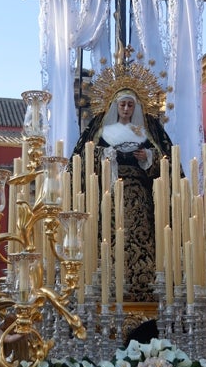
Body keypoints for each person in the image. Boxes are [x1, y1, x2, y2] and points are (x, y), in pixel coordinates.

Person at [69, 85, 176, 302]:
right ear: (115, 106)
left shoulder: (148, 129)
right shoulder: (101, 128)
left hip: (140, 196)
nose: (126, 109)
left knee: (144, 235)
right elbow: (82, 159)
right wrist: (105, 155)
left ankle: (144, 288)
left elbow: (168, 161)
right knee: (108, 237)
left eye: (130, 105)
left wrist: (148, 156)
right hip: (108, 195)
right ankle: (105, 287)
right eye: (122, 104)